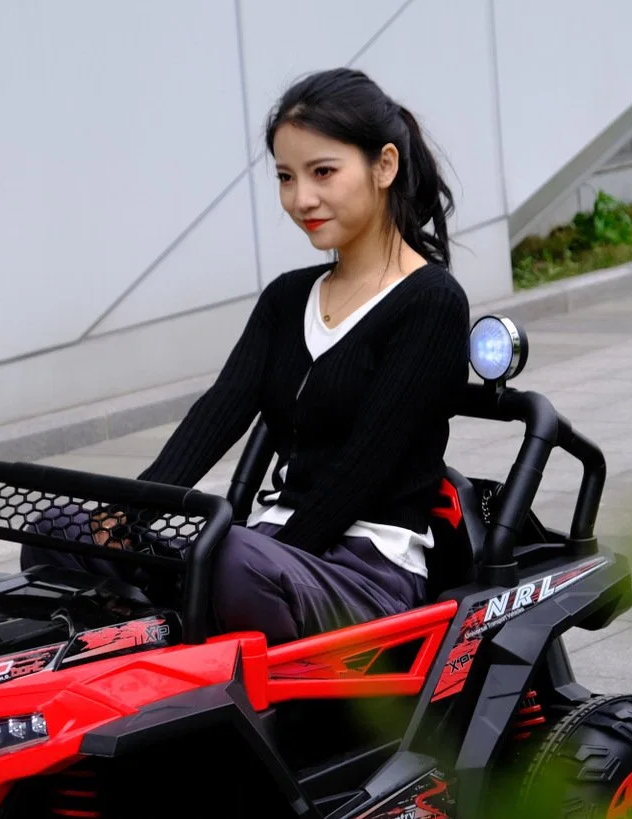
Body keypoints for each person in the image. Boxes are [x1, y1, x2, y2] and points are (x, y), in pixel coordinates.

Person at [132, 69, 469, 643]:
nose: (300, 199)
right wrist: (125, 516)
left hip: (367, 571)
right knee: (64, 529)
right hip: (270, 548)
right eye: (286, 177)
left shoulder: (431, 301)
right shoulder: (288, 297)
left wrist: (235, 554)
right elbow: (216, 415)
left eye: (322, 173)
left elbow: (366, 467)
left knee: (224, 557)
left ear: (384, 166)